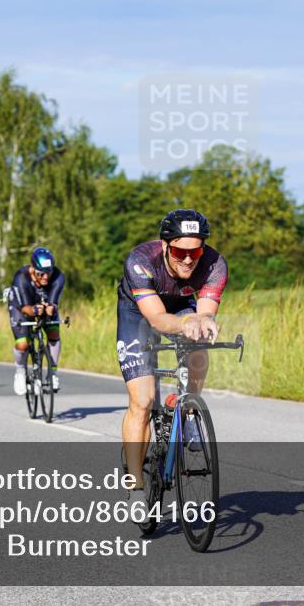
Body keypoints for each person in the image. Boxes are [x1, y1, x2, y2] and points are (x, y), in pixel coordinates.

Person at [117, 209, 228, 493]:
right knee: (143, 401)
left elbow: (204, 312)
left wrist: (204, 322)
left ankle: (189, 409)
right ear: (165, 245)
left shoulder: (215, 265)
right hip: (138, 313)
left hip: (180, 305)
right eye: (180, 252)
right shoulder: (140, 262)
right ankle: (136, 486)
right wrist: (186, 323)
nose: (189, 259)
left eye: (196, 252)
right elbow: (156, 320)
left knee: (200, 339)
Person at [7, 247, 65, 396]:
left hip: (43, 302)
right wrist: (34, 311)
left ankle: (52, 373)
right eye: (41, 274)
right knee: (22, 343)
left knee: (53, 332)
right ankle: (20, 371)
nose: (46, 277)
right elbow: (25, 308)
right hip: (22, 306)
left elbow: (53, 303)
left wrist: (50, 308)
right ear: (32, 269)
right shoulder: (21, 277)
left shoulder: (58, 277)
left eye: (49, 272)